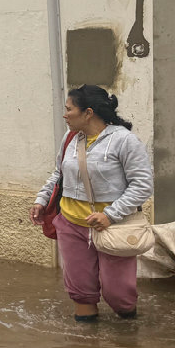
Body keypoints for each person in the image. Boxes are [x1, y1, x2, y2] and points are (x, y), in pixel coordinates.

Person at [30, 85, 152, 322]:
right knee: (81, 292)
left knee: (119, 293)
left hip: (112, 227)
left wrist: (110, 215)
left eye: (69, 109)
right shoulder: (70, 138)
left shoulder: (124, 140)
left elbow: (142, 185)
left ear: (88, 113)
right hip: (71, 224)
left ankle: (127, 336)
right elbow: (58, 174)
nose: (64, 115)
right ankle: (84, 341)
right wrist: (41, 200)